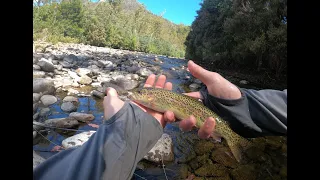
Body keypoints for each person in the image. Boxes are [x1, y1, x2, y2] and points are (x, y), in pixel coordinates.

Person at [33, 60, 287, 180]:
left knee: (209, 127)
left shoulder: (153, 98)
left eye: (141, 94)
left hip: (210, 118)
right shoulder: (152, 99)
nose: (137, 96)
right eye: (140, 94)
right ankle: (233, 138)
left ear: (150, 97)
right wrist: (238, 104)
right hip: (216, 113)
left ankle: (235, 139)